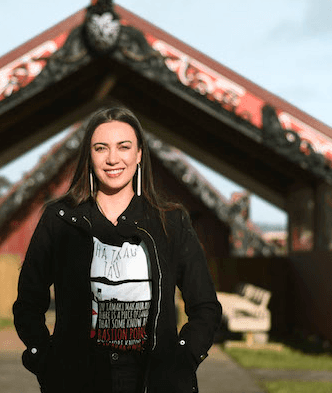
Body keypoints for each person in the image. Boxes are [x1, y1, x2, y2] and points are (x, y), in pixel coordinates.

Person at [13, 107, 222, 393]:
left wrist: (183, 360)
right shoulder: (60, 219)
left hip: (151, 381)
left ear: (139, 154)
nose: (113, 158)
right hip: (77, 380)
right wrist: (46, 360)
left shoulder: (171, 221)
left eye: (124, 147)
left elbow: (205, 306)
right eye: (101, 148)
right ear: (89, 156)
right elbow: (28, 302)